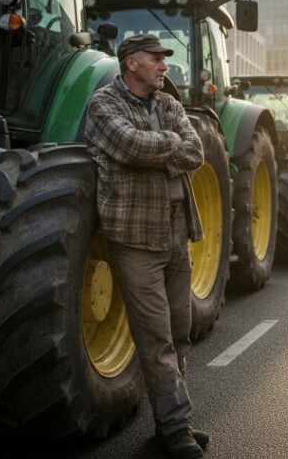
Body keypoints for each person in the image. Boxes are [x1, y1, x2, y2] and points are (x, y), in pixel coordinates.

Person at [85, 34, 208, 459]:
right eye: (156, 59)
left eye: (163, 59)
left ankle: (175, 421)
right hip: (137, 238)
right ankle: (177, 432)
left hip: (177, 232)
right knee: (155, 340)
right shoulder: (103, 105)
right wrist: (168, 146)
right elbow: (129, 145)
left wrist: (163, 148)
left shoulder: (168, 105)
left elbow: (197, 150)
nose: (163, 66)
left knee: (179, 333)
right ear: (131, 62)